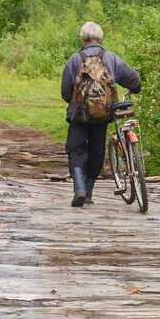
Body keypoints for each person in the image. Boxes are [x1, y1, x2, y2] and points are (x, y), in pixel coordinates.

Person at [60, 21, 141, 208]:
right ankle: (88, 193)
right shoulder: (110, 58)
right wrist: (136, 87)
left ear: (83, 38)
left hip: (79, 117)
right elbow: (133, 79)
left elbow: (65, 91)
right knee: (97, 154)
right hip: (103, 116)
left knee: (76, 151)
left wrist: (77, 104)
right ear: (100, 37)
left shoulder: (75, 59)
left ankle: (78, 188)